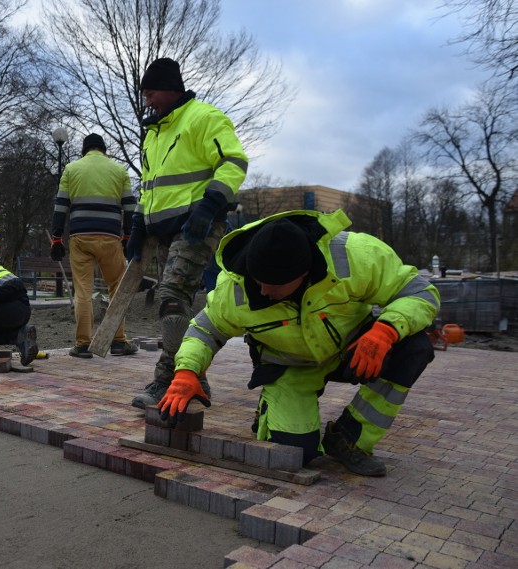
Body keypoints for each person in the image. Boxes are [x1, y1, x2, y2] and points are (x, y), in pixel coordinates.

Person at [157, 210, 440, 476]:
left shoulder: (355, 256)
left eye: (274, 284)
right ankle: (270, 408)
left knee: (414, 348)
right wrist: (187, 371)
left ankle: (350, 438)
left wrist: (384, 333)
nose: (263, 290)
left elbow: (420, 293)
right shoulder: (235, 288)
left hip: (353, 351)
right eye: (258, 280)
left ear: (304, 274)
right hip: (290, 366)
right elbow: (204, 331)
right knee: (294, 455)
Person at [126, 57, 249, 409]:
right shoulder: (154, 135)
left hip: (198, 225)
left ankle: (167, 380)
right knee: (175, 300)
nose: (147, 101)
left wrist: (210, 206)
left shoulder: (204, 117)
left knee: (170, 296)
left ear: (170, 89)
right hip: (165, 231)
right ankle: (194, 377)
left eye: (151, 93)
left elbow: (234, 162)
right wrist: (137, 224)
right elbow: (149, 187)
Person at [50, 133, 139, 358]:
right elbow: (130, 206)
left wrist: (56, 237)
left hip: (80, 238)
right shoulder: (119, 170)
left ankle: (82, 344)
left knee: (83, 291)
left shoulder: (71, 169)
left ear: (85, 150)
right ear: (104, 149)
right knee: (117, 288)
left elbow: (60, 205)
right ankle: (118, 341)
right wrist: (129, 236)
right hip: (110, 237)